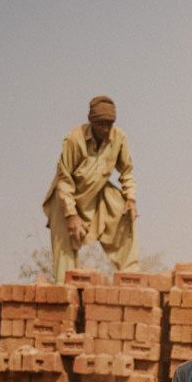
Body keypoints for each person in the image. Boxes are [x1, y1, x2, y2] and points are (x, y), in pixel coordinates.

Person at [42, 95, 137, 283]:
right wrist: (71, 215)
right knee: (65, 262)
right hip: (66, 199)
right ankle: (65, 298)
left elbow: (127, 172)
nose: (105, 129)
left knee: (124, 212)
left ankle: (132, 276)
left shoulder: (119, 138)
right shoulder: (74, 140)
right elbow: (64, 179)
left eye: (109, 124)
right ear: (91, 122)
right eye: (101, 124)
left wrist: (131, 199)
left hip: (97, 195)